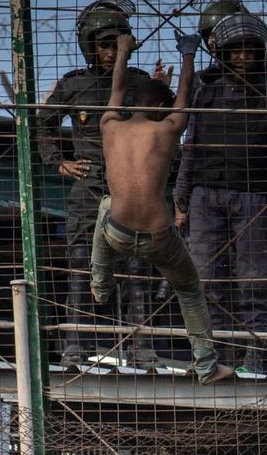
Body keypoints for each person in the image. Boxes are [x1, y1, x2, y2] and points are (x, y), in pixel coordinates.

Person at [89, 32, 233, 385]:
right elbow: (184, 98)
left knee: (106, 204)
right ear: (160, 108)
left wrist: (123, 51)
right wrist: (188, 53)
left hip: (118, 233)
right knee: (190, 290)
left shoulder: (109, 125)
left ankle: (100, 283)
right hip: (158, 238)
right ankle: (207, 366)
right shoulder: (168, 130)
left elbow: (117, 89)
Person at [172, 13, 267, 380]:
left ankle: (256, 359)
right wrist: (181, 199)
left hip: (252, 197)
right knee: (207, 281)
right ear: (223, 53)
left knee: (254, 281)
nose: (243, 57)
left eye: (249, 51)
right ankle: (212, 358)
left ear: (259, 52)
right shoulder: (206, 89)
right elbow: (191, 145)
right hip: (205, 197)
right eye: (236, 51)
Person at [37, 0, 161, 368]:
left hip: (132, 188)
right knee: (81, 266)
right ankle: (75, 346)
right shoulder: (74, 85)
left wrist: (162, 94)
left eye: (117, 45)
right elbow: (41, 124)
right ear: (91, 46)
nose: (110, 53)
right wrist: (59, 162)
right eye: (105, 46)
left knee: (136, 268)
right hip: (89, 187)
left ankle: (141, 346)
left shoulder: (141, 83)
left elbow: (162, 128)